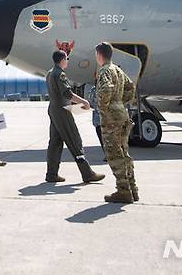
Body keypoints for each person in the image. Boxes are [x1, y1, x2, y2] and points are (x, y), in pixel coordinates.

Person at [45, 50, 105, 184]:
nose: (68, 61)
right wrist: (84, 102)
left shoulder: (50, 73)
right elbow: (67, 93)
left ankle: (51, 174)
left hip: (54, 110)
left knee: (55, 142)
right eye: (67, 58)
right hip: (62, 111)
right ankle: (87, 173)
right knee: (74, 140)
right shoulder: (60, 74)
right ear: (62, 60)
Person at [95, 42, 138, 204]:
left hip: (111, 118)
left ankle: (123, 191)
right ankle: (132, 188)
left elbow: (106, 89)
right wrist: (120, 102)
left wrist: (103, 109)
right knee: (124, 152)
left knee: (114, 155)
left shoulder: (105, 70)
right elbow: (130, 87)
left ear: (99, 55)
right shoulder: (118, 70)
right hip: (122, 114)